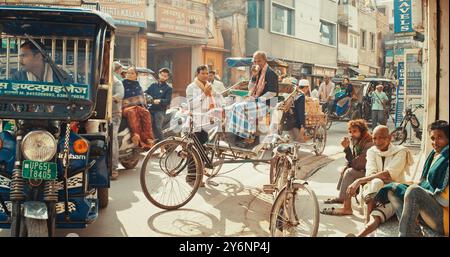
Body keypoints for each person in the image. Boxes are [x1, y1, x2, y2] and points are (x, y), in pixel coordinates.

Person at [376, 120, 449, 237]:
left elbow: (444, 200)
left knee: (413, 191)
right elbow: (423, 184)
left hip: (443, 219)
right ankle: (414, 231)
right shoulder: (434, 155)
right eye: (432, 138)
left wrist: (420, 194)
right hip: (430, 210)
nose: (435, 142)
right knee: (393, 190)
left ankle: (405, 234)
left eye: (440, 137)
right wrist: (400, 185)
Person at [345, 125, 414, 237]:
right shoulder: (372, 151)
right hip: (374, 194)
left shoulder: (401, 151)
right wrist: (380, 177)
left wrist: (359, 180)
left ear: (390, 138)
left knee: (376, 184)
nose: (377, 141)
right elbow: (371, 173)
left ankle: (364, 226)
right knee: (376, 182)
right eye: (374, 138)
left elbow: (388, 174)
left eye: (382, 138)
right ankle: (367, 221)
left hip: (393, 193)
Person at [320, 119, 374, 215]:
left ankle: (347, 208)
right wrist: (346, 165)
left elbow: (358, 164)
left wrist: (346, 148)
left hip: (371, 172)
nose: (351, 134)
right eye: (350, 131)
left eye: (355, 131)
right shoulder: (358, 140)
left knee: (349, 172)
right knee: (345, 169)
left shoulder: (368, 143)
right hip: (363, 169)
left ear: (362, 131)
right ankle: (342, 198)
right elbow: (353, 159)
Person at [186, 65, 218, 187]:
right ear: (197, 74)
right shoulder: (192, 87)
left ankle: (199, 175)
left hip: (206, 121)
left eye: (206, 73)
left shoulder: (208, 86)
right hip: (195, 122)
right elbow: (192, 104)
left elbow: (214, 100)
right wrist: (204, 94)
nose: (205, 76)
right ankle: (191, 178)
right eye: (203, 73)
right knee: (194, 151)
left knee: (203, 150)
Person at [122, 66, 154, 149]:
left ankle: (148, 138)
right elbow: (123, 100)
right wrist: (131, 102)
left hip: (137, 107)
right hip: (125, 108)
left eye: (132, 73)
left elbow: (142, 98)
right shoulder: (122, 84)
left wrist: (143, 105)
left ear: (136, 75)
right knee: (132, 112)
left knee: (146, 112)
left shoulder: (137, 85)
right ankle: (135, 135)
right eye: (128, 73)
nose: (129, 74)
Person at [145, 68, 173, 143]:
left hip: (160, 110)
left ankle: (162, 145)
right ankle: (149, 143)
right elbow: (146, 93)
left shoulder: (168, 88)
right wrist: (146, 96)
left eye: (165, 76)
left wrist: (160, 101)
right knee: (147, 125)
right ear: (159, 75)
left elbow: (168, 101)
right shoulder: (153, 86)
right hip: (150, 109)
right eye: (162, 75)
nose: (163, 77)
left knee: (157, 126)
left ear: (167, 77)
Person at [111, 61, 124, 180]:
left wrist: (109, 98)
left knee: (112, 138)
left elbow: (119, 95)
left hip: (114, 115)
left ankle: (114, 168)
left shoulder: (116, 82)